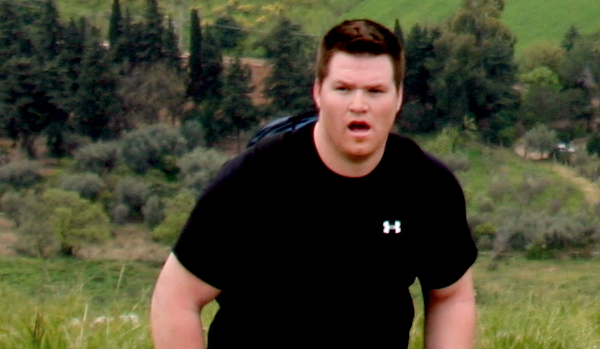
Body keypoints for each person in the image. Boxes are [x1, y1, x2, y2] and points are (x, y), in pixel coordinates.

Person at [150, 18, 479, 349]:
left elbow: (452, 297)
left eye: (376, 91)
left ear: (398, 98)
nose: (359, 105)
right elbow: (176, 299)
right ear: (318, 92)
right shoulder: (253, 180)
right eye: (344, 89)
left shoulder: (427, 186)